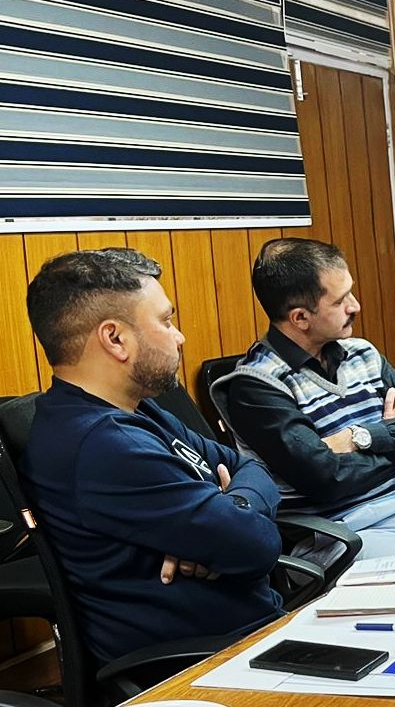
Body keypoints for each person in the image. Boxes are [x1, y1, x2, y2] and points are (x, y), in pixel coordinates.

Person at [22, 249, 283, 664]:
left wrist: (230, 509)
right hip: (207, 663)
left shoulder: (136, 410)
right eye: (165, 321)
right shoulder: (103, 445)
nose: (179, 337)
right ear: (115, 339)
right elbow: (258, 545)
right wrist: (229, 525)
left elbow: (250, 465)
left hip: (251, 637)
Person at [215, 238, 395, 559]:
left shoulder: (362, 353)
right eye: (340, 300)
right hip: (349, 536)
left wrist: (364, 437)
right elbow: (327, 478)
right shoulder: (257, 386)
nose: (355, 306)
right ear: (300, 318)